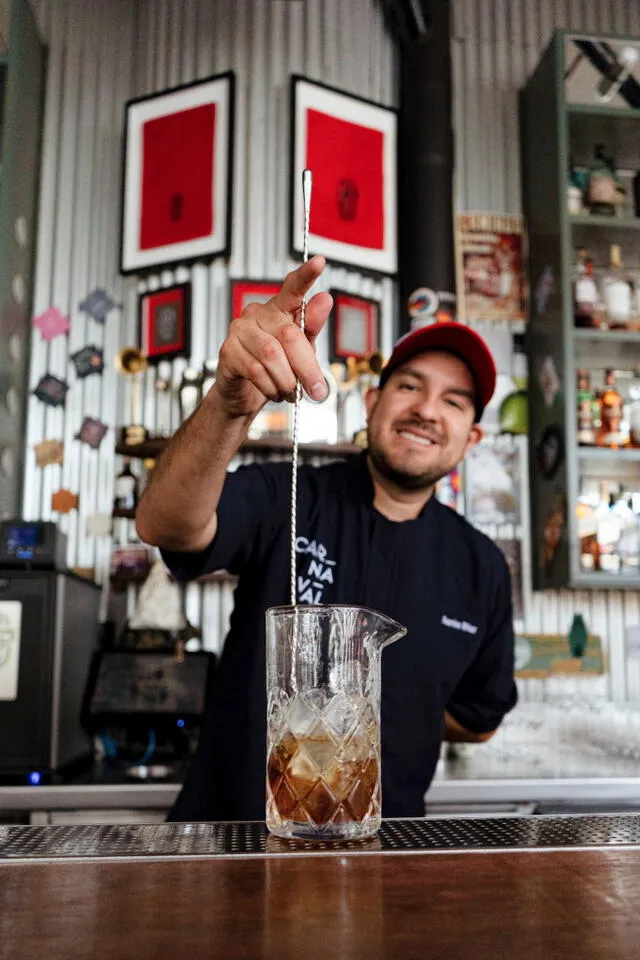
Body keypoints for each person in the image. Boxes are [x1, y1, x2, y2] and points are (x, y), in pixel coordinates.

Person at [135, 255, 518, 821]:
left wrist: (388, 708)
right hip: (229, 841)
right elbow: (165, 525)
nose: (425, 410)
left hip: (383, 855)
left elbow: (480, 719)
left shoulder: (480, 564)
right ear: (372, 403)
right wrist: (227, 406)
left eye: (453, 401)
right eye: (409, 385)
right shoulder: (289, 492)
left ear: (471, 438)